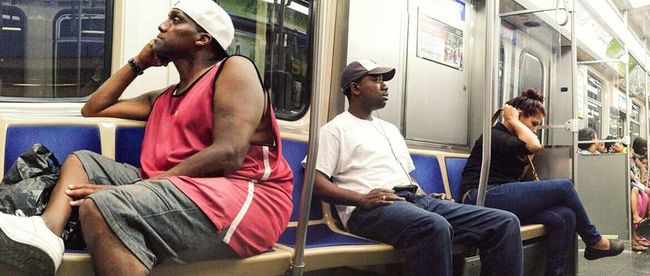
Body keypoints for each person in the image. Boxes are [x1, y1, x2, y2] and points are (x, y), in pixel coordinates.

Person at [0, 1, 293, 275]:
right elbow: (93, 108)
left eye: (175, 20)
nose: (162, 26)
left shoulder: (233, 70)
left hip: (244, 198)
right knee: (83, 161)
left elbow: (228, 154)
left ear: (203, 39)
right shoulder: (164, 98)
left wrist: (139, 187)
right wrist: (138, 63)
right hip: (178, 187)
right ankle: (47, 234)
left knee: (102, 208)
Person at [311, 60, 522, 276]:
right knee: (433, 227)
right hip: (370, 209)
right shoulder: (335, 129)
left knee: (504, 223)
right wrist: (362, 199)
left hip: (414, 201)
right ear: (355, 88)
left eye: (384, 81)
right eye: (376, 80)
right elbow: (315, 184)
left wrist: (425, 194)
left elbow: (403, 176)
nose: (385, 86)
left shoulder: (389, 129)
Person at [460, 89, 624, 276]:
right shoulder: (495, 135)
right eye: (534, 124)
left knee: (565, 216)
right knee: (565, 187)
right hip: (480, 197)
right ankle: (595, 241)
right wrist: (512, 120)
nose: (535, 130)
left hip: (501, 197)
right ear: (519, 116)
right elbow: (535, 146)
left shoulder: (514, 141)